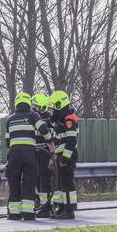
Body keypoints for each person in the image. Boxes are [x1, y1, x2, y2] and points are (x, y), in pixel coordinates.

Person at [4, 92, 48, 220]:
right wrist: (49, 141)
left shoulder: (10, 119)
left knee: (14, 182)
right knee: (29, 183)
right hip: (29, 154)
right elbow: (44, 129)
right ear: (29, 103)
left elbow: (7, 141)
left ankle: (14, 214)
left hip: (13, 155)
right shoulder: (33, 115)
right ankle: (28, 214)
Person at [48, 90, 80, 219]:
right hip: (60, 156)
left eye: (54, 107)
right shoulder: (60, 120)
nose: (53, 111)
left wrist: (65, 159)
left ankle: (69, 211)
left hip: (68, 157)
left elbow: (71, 141)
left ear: (60, 105)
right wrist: (55, 157)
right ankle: (61, 209)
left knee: (67, 184)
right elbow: (58, 141)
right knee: (60, 185)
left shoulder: (69, 120)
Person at [31, 93, 56, 218]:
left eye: (34, 106)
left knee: (43, 181)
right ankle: (46, 206)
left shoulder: (39, 119)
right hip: (43, 154)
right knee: (42, 180)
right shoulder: (49, 119)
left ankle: (45, 208)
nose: (32, 108)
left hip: (43, 154)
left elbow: (49, 137)